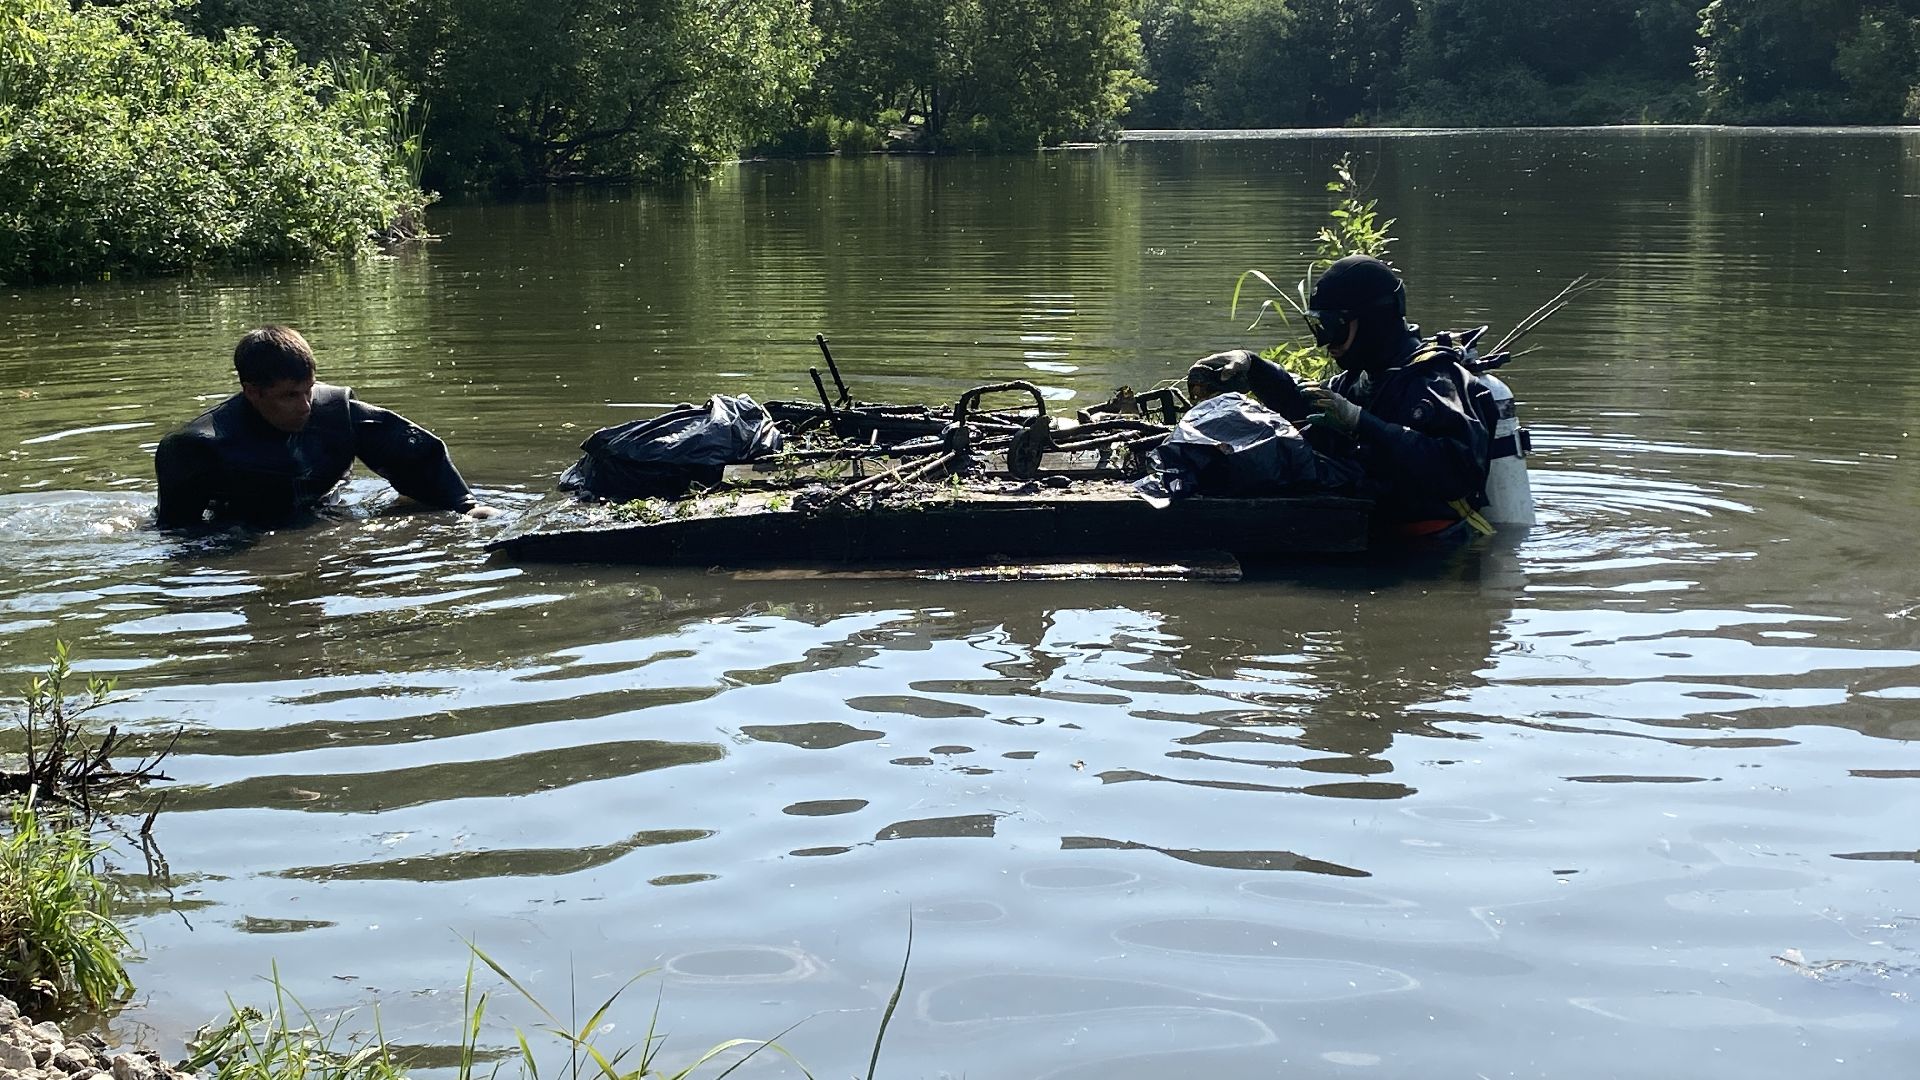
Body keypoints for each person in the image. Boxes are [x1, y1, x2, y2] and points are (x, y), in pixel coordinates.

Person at [1189, 255, 1493, 538]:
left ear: (1373, 321)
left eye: (1333, 328)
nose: (1325, 343)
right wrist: (1254, 366)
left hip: (1439, 551)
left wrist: (1360, 422)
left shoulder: (1435, 380)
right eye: (1318, 327)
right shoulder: (1361, 378)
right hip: (1374, 542)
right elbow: (1306, 401)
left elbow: (1458, 471)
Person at [154, 325, 497, 528]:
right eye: (289, 395)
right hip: (242, 523)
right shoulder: (199, 446)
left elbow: (416, 457)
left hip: (325, 507)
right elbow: (179, 533)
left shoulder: (337, 412)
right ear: (253, 392)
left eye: (309, 390)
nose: (306, 406)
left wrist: (465, 505)